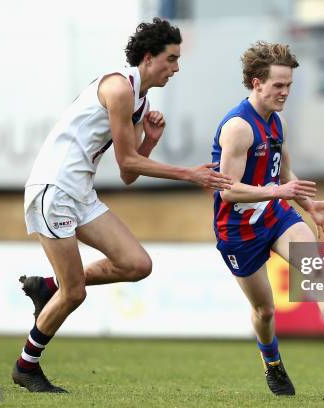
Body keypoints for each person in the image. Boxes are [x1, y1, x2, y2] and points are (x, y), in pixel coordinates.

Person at [12, 18, 232, 393]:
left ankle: (48, 286)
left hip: (78, 193)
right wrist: (190, 175)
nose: (176, 68)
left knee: (136, 264)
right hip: (55, 189)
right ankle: (26, 367)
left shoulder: (138, 98)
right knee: (75, 292)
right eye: (172, 59)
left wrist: (150, 139)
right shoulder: (118, 89)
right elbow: (128, 165)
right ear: (149, 57)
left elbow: (128, 172)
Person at [211, 41, 324, 396]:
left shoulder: (275, 121)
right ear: (256, 83)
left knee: (314, 267)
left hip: (275, 216)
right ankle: (273, 364)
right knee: (264, 311)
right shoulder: (238, 127)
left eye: (289, 85)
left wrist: (307, 205)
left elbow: (285, 172)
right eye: (278, 85)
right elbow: (227, 190)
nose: (285, 92)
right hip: (237, 231)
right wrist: (276, 192)